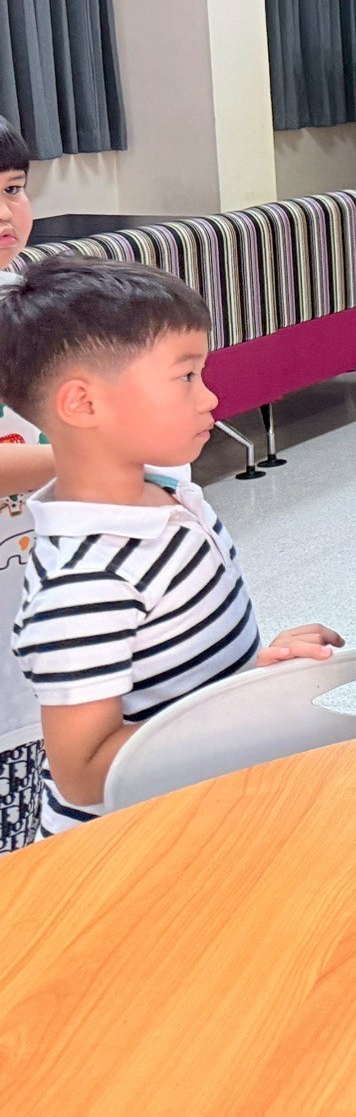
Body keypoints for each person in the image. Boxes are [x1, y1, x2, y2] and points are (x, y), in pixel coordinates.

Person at [1, 257, 341, 835]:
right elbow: (84, 774)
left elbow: (176, 689)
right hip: (136, 849)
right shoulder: (85, 582)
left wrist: (255, 675)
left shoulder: (169, 495)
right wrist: (245, 708)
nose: (209, 398)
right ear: (83, 404)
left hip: (208, 811)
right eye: (186, 377)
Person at [0, 116, 54, 850]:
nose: (5, 213)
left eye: (13, 189)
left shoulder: (34, 298)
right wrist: (98, 451)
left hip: (36, 599)